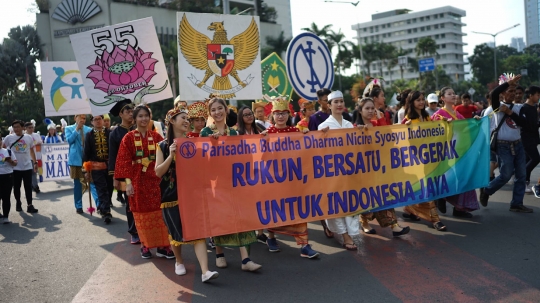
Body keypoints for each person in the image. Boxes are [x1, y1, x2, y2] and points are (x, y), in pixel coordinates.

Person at [155, 106, 219, 282]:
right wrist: (171, 155)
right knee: (176, 232)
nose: (186, 121)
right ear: (172, 122)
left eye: (187, 119)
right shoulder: (162, 146)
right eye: (182, 118)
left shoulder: (195, 142)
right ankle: (179, 260)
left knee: (198, 231)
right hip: (171, 195)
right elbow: (158, 172)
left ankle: (205, 271)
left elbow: (206, 164)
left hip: (193, 194)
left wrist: (213, 143)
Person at [200, 97, 262, 271]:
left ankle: (246, 260)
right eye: (213, 110)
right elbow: (201, 161)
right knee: (220, 217)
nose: (217, 112)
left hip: (235, 181)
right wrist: (212, 144)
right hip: (215, 182)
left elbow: (245, 156)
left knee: (240, 217)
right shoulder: (205, 133)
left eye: (220, 108)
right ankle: (219, 253)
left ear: (226, 110)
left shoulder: (234, 133)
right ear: (209, 113)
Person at [263, 96, 320, 258]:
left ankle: (304, 245)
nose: (280, 116)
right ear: (272, 115)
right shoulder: (267, 134)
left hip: (294, 178)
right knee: (276, 209)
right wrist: (263, 141)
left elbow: (307, 152)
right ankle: (271, 237)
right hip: (275, 179)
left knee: (299, 210)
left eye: (283, 113)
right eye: (277, 113)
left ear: (289, 114)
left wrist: (309, 136)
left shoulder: (296, 132)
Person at [115, 104, 174, 259]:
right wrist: (128, 183)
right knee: (141, 213)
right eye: (140, 116)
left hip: (155, 179)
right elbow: (123, 161)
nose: (144, 119)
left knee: (159, 212)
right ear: (134, 119)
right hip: (137, 180)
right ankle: (145, 245)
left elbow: (167, 151)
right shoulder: (127, 138)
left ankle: (163, 246)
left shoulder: (156, 137)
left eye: (146, 116)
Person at [353, 97, 411, 237]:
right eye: (367, 108)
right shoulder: (354, 128)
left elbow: (388, 137)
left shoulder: (377, 123)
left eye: (372, 108)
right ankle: (365, 222)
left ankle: (394, 226)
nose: (371, 111)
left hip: (381, 168)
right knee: (367, 199)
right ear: (360, 111)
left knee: (385, 195)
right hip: (364, 170)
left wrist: (382, 119)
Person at [479, 74, 533, 213]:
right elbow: (493, 93)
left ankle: (516, 203)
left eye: (514, 92)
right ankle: (487, 190)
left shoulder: (518, 108)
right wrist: (508, 83)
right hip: (503, 146)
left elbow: (524, 124)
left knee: (521, 175)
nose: (513, 94)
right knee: (505, 174)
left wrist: (509, 112)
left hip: (518, 144)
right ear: (503, 94)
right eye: (510, 91)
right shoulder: (497, 107)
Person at [318, 91, 360, 250]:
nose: (340, 104)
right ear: (329, 105)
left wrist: (361, 132)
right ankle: (344, 235)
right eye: (336, 102)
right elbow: (319, 151)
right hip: (333, 172)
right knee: (336, 204)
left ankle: (349, 231)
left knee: (349, 203)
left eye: (341, 101)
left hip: (349, 171)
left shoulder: (349, 125)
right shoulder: (324, 127)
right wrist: (321, 136)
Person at [401, 91, 447, 231]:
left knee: (427, 187)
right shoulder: (408, 118)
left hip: (429, 157)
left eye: (422, 100)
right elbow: (401, 137)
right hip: (416, 159)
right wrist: (405, 128)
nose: (421, 102)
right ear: (412, 102)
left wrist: (444, 123)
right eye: (418, 100)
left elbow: (435, 130)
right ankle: (435, 219)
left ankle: (410, 209)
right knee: (427, 188)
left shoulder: (427, 116)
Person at [431, 87, 480, 218]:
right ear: (442, 98)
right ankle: (441, 197)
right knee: (448, 179)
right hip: (445, 154)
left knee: (465, 177)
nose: (453, 95)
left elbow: (465, 127)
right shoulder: (438, 115)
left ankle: (460, 208)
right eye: (449, 94)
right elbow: (433, 134)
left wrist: (474, 122)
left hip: (459, 153)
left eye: (454, 93)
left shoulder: (457, 114)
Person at [109, 100, 139, 243]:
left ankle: (144, 228)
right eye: (127, 111)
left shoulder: (139, 128)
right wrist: (115, 176)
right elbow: (113, 156)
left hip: (142, 170)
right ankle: (133, 231)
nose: (130, 113)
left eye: (132, 110)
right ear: (120, 114)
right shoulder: (115, 133)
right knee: (130, 202)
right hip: (126, 173)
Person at [65, 114, 100, 214]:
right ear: (75, 118)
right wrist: (77, 129)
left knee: (93, 182)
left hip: (87, 161)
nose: (82, 120)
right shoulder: (69, 128)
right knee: (78, 184)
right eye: (80, 118)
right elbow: (70, 140)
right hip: (76, 161)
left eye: (84, 118)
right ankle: (79, 206)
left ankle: (99, 205)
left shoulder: (89, 129)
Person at [2, 120, 38, 213]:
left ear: (23, 128)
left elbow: (31, 151)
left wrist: (35, 162)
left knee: (28, 187)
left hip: (27, 166)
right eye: (14, 127)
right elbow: (2, 149)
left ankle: (30, 205)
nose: (16, 129)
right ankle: (18, 202)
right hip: (15, 167)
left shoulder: (28, 138)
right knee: (16, 187)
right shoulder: (8, 138)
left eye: (18, 127)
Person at [83, 115, 113, 223]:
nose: (98, 121)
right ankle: (106, 212)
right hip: (96, 167)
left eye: (99, 119)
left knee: (109, 188)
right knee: (102, 189)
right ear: (91, 122)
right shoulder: (89, 135)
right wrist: (86, 170)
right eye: (95, 119)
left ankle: (103, 206)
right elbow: (86, 153)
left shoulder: (110, 133)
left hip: (109, 166)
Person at [519, 86, 540, 194]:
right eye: (537, 95)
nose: (538, 97)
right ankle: (521, 180)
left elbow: (535, 124)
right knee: (535, 158)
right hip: (526, 138)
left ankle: (524, 182)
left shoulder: (534, 107)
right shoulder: (524, 108)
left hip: (533, 138)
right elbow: (526, 125)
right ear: (530, 95)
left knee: (528, 160)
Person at [0, 135, 17, 223]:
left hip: (7, 176)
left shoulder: (8, 151)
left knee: (6, 197)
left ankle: (6, 216)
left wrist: (10, 161)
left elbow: (15, 164)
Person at [24, 121, 43, 193]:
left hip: (36, 156)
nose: (31, 129)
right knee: (32, 172)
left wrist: (39, 143)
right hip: (27, 157)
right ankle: (35, 186)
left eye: (32, 127)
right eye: (29, 128)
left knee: (34, 172)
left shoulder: (36, 135)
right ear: (25, 128)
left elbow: (41, 142)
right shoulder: (24, 136)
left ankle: (33, 185)